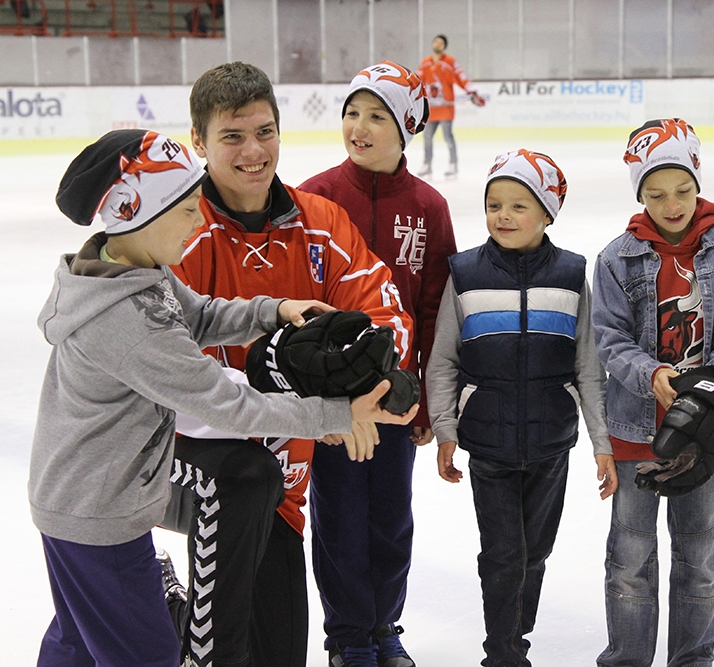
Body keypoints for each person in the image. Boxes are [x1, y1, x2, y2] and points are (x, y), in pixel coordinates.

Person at [29, 129, 412, 667]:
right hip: (99, 516)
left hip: (84, 502)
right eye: (187, 210)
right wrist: (337, 414)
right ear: (138, 214)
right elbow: (228, 404)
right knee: (148, 656)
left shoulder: (134, 272)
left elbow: (203, 315)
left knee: (77, 643)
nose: (197, 222)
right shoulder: (127, 320)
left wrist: (274, 309)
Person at [161, 61, 414, 667]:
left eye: (265, 132)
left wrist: (365, 388)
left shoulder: (321, 222)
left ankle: (171, 606)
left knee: (278, 650)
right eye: (232, 136)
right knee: (219, 649)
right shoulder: (176, 230)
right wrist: (320, 410)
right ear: (199, 142)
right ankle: (166, 601)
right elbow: (169, 369)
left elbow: (384, 315)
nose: (254, 152)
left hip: (284, 482)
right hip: (201, 469)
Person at [297, 60, 458, 667]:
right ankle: (347, 638)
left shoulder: (428, 206)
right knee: (338, 516)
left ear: (407, 127)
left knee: (390, 517)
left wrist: (428, 400)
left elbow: (434, 307)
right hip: (332, 400)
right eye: (352, 113)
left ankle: (384, 627)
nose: (358, 127)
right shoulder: (313, 196)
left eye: (376, 116)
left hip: (396, 397)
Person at [426, 149, 614, 667]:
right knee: (504, 553)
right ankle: (504, 653)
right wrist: (445, 429)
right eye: (494, 205)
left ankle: (516, 636)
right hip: (488, 443)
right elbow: (443, 360)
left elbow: (588, 365)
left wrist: (601, 442)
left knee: (536, 552)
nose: (503, 216)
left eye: (518, 205)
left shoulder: (571, 274)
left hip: (552, 443)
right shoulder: (465, 273)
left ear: (548, 213)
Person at [590, 119, 714, 667]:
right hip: (633, 431)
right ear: (640, 196)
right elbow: (608, 337)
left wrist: (708, 393)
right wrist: (650, 374)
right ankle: (628, 659)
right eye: (656, 194)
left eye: (683, 190)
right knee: (630, 560)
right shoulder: (616, 258)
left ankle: (693, 660)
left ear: (698, 184)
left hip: (703, 432)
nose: (672, 205)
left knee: (700, 560)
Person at [416, 34, 484, 178]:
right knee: (427, 138)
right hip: (431, 109)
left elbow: (461, 77)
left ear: (444, 46)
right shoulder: (425, 62)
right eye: (436, 41)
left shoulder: (450, 62)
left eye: (441, 43)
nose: (438, 44)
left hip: (445, 108)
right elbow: (418, 81)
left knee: (448, 137)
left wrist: (471, 90)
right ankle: (427, 164)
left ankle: (453, 164)